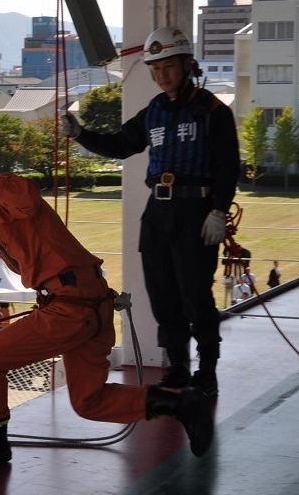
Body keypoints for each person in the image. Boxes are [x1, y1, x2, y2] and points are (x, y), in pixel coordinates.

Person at [0, 137, 213, 468]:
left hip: (72, 307)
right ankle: (181, 404)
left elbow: (26, 194)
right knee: (88, 401)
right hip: (84, 301)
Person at [59, 27, 240, 397]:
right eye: (155, 68)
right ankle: (176, 368)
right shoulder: (153, 111)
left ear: (188, 65)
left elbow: (228, 166)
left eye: (169, 66)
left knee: (196, 297)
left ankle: (207, 371)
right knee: (163, 296)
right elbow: (120, 145)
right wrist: (80, 133)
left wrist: (219, 211)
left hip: (196, 211)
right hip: (157, 213)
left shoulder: (213, 110)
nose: (162, 75)